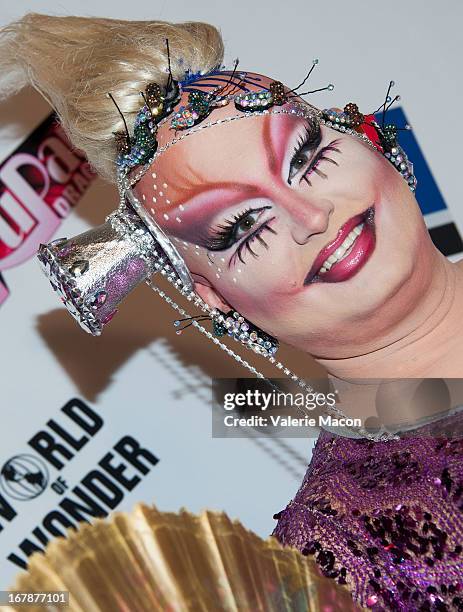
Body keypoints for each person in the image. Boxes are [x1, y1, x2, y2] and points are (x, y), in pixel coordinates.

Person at [1, 13, 462, 610]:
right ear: (215, 300)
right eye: (244, 227)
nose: (310, 215)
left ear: (363, 135)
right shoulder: (339, 562)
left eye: (307, 157)